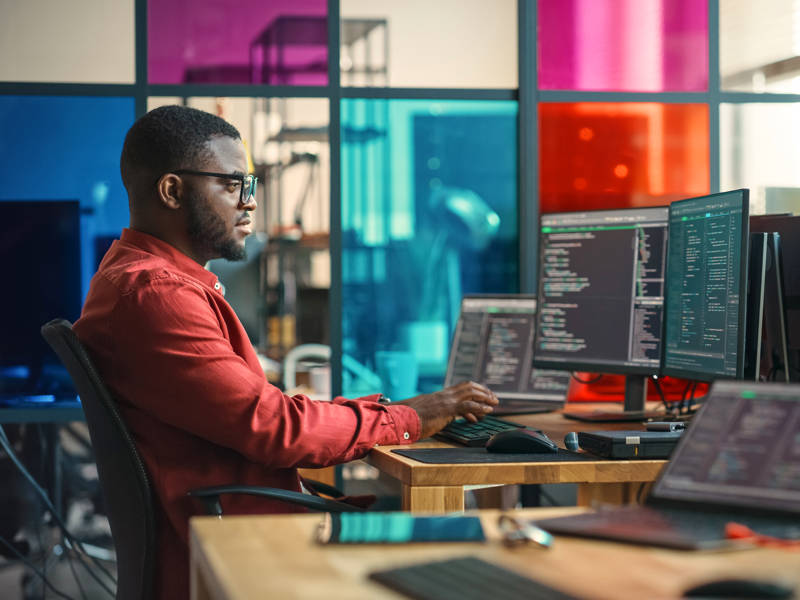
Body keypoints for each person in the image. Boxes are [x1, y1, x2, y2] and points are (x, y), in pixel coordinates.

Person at [73, 105, 498, 599]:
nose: (250, 204)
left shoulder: (136, 279)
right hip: (235, 547)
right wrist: (406, 418)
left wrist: (390, 412)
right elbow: (275, 429)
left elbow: (267, 416)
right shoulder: (157, 295)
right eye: (233, 185)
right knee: (468, 544)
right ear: (172, 190)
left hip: (228, 527)